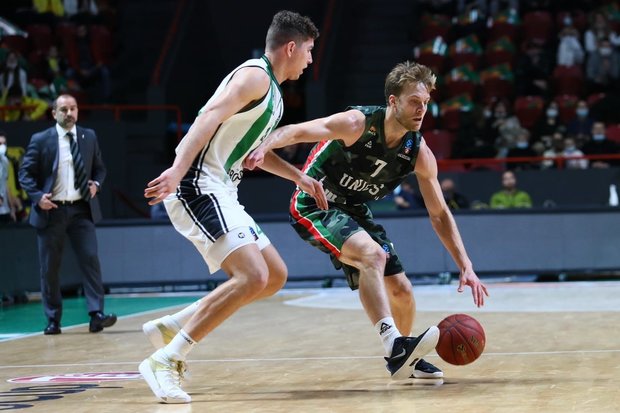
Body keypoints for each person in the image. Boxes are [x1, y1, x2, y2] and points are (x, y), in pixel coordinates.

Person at [244, 61, 489, 382]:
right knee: (372, 255)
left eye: (426, 103)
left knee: (401, 289)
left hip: (353, 209)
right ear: (393, 101)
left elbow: (440, 213)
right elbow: (297, 131)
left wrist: (465, 264)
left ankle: (406, 358)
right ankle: (393, 343)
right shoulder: (356, 123)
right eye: (415, 102)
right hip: (315, 203)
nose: (422, 110)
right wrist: (264, 145)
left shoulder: (418, 152)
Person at [138, 11, 323, 404]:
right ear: (291, 47)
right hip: (197, 184)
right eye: (309, 51)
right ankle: (167, 358)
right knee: (252, 275)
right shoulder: (255, 76)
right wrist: (177, 170)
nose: (310, 60)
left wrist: (300, 178)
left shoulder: (273, 94)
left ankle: (172, 325)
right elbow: (208, 116)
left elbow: (256, 154)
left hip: (222, 187)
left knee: (274, 275)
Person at [18, 94, 117, 335]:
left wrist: (96, 185)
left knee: (91, 259)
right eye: (63, 109)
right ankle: (53, 319)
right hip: (52, 211)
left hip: (82, 210)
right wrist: (38, 197)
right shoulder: (41, 139)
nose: (69, 113)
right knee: (50, 267)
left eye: (73, 108)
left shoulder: (88, 136)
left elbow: (100, 169)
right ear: (54, 113)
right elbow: (25, 174)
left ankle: (96, 315)